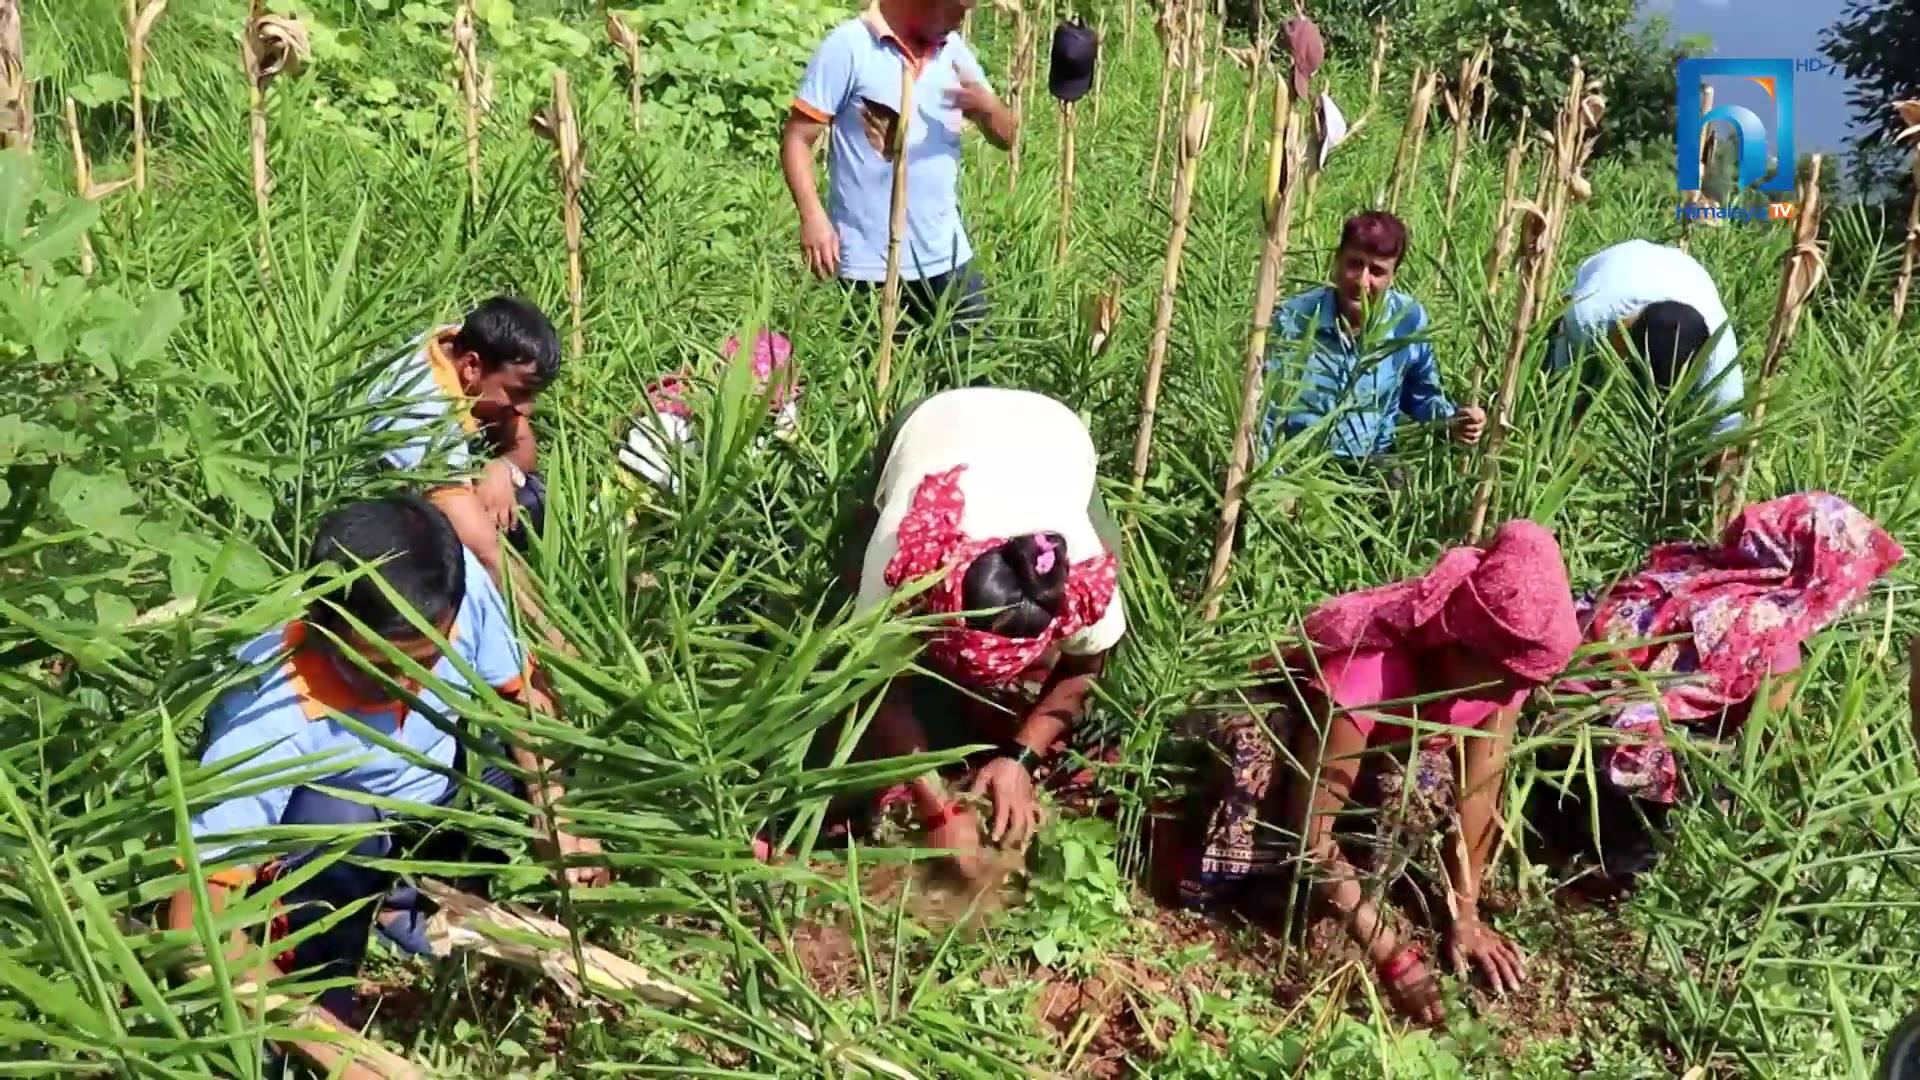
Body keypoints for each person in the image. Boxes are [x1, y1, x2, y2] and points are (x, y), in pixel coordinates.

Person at [165, 495, 607, 1024]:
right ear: (322, 622)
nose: (405, 684)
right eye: (375, 666)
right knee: (336, 824)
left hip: (435, 796)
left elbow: (525, 698)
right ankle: (320, 992)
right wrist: (338, 1054)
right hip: (336, 839)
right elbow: (192, 926)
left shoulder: (449, 587)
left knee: (517, 752)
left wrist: (550, 810)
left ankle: (415, 901)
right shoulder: (267, 711)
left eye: (424, 661)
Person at [1167, 520, 1580, 1025]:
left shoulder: (1499, 674)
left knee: (1420, 785)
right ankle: (1232, 891)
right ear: (1463, 646)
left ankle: (1354, 898)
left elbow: (1480, 783)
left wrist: (1464, 913)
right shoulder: (1371, 670)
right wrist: (1395, 957)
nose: (1517, 692)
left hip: (1380, 746)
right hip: (1292, 730)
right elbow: (1312, 831)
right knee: (1254, 756)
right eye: (1511, 678)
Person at [1530, 492, 1904, 896]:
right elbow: (1776, 746)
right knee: (1709, 766)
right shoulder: (1770, 628)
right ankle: (1605, 873)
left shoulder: (1691, 568)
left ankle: (1552, 839)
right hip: (1607, 742)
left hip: (1546, 707)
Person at [838, 387, 1125, 875]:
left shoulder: (1082, 574)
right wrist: (937, 807)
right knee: (845, 600)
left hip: (1055, 436)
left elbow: (1085, 666)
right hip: (935, 424)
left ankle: (985, 729)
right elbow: (872, 680)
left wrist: (1020, 758)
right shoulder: (904, 553)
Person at [780, 0, 1017, 338]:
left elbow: (1007, 139)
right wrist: (813, 217)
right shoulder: (850, 47)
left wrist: (987, 108)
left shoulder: (953, 51)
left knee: (973, 377)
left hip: (947, 255)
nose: (963, 19)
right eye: (958, 9)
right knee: (875, 380)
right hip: (870, 265)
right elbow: (797, 139)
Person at [366, 295, 566, 646]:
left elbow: (523, 445)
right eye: (518, 393)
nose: (527, 409)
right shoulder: (421, 411)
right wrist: (562, 645)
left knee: (529, 497)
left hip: (429, 491)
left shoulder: (462, 350)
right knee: (470, 564)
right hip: (370, 527)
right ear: (472, 366)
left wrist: (501, 468)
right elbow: (485, 549)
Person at [1262, 211, 1486, 474]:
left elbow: (1421, 396)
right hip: (1298, 461)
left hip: (1371, 461)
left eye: (1377, 271)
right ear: (1336, 261)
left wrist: (1453, 420)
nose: (1362, 281)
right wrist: (1272, 479)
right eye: (1354, 264)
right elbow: (1265, 412)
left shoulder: (1408, 321)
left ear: (1393, 276)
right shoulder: (1295, 319)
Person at [1546, 239, 1746, 444]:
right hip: (1617, 264)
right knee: (1551, 383)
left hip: (1688, 274)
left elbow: (1726, 443)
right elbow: (1561, 395)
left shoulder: (1719, 356)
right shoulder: (1586, 317)